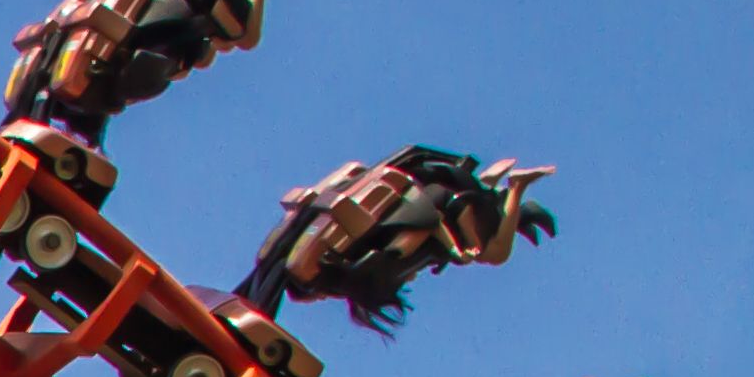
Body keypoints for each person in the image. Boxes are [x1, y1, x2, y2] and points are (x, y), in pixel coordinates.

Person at [238, 147, 557, 331]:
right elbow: (432, 218)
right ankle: (515, 189)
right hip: (431, 209)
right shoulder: (377, 259)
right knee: (493, 253)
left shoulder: (347, 266)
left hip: (429, 209)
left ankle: (512, 190)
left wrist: (455, 247)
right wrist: (457, 248)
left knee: (491, 251)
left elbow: (432, 216)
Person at [2, 0, 285, 147]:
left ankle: (74, 136)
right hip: (116, 61)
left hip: (94, 65)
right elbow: (245, 38)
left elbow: (213, 49)